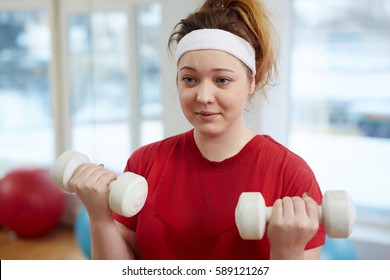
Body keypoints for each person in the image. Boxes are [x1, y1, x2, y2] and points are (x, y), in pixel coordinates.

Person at [69, 0, 326, 260]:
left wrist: (287, 250)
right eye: (189, 79)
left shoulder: (291, 175)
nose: (203, 96)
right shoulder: (145, 163)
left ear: (251, 80)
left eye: (222, 80)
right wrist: (99, 217)